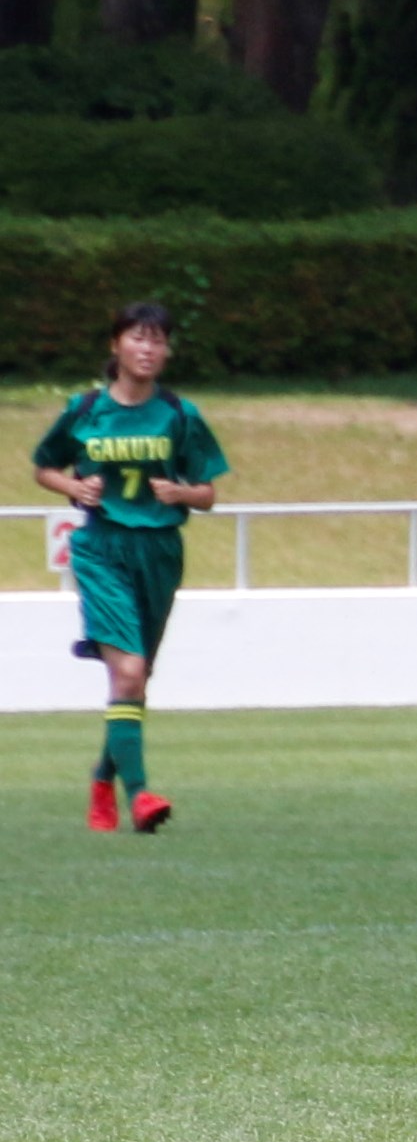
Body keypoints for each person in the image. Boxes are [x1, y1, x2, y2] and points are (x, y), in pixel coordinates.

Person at [33, 302, 229, 834]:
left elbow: (208, 493)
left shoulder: (179, 414)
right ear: (116, 345)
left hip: (160, 551)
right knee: (129, 671)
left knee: (135, 681)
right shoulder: (86, 408)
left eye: (158, 340)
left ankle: (102, 780)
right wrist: (73, 486)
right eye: (138, 338)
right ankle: (141, 797)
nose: (148, 349)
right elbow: (43, 466)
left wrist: (181, 491)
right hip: (101, 549)